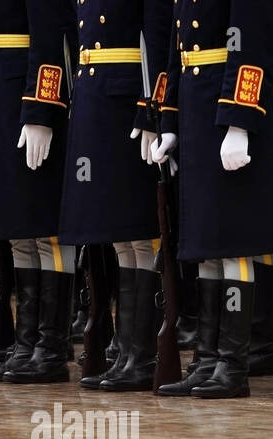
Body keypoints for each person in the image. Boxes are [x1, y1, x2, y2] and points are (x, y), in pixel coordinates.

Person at [153, 0, 273, 399]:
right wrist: (169, 119)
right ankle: (207, 357)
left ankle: (233, 363)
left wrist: (239, 120)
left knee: (234, 243)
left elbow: (253, 41)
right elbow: (178, 45)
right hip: (195, 104)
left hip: (230, 106)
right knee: (207, 244)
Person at [0, 1, 78, 385]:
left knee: (42, 224)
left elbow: (51, 34)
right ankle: (26, 346)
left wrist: (41, 109)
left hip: (22, 100)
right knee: (16, 226)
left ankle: (51, 347)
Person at [59, 0, 171, 392]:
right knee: (120, 236)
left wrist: (152, 109)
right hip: (96, 96)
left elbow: (157, 35)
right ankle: (125, 351)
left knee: (140, 229)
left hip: (129, 101)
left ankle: (143, 354)